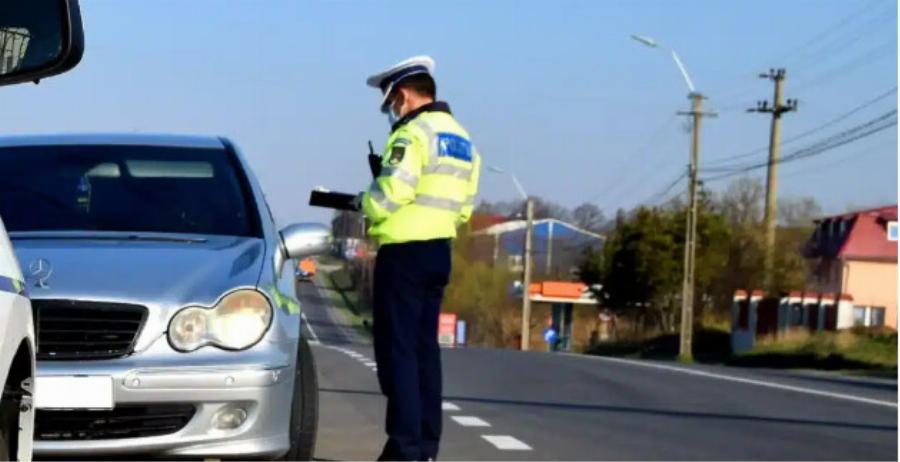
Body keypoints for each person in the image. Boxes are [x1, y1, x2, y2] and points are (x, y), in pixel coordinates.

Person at [358, 55, 481, 461]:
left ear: (405, 95)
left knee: (399, 355)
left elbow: (391, 194)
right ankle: (426, 446)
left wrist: (364, 202)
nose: (393, 110)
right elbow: (464, 207)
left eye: (392, 102)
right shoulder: (462, 139)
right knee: (426, 352)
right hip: (438, 252)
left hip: (404, 255)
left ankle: (404, 449)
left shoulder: (412, 135)